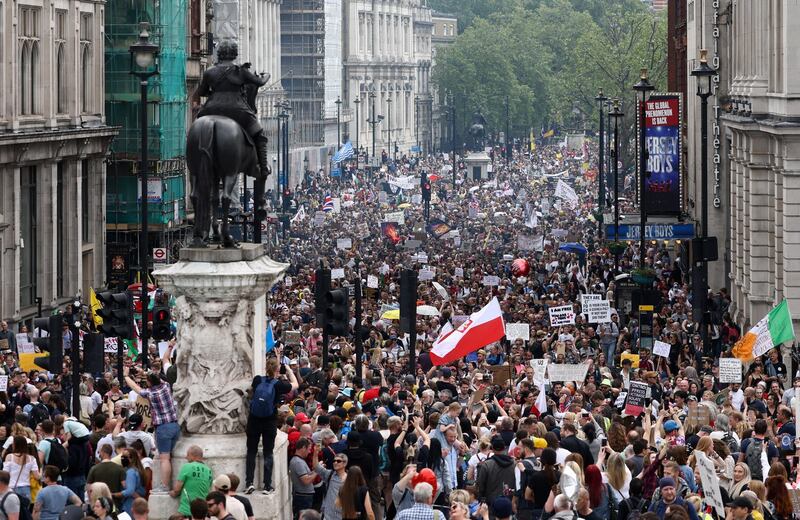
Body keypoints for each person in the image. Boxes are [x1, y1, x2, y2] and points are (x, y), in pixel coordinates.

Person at [195, 40, 271, 181]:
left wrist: (216, 92)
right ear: (235, 54)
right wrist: (266, 75)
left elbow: (201, 92)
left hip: (211, 109)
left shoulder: (209, 72)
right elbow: (259, 82)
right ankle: (263, 167)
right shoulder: (241, 71)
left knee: (197, 128)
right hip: (238, 110)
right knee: (259, 134)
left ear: (220, 54)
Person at [245, 358, 297, 494]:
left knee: (251, 450)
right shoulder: (279, 385)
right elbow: (295, 384)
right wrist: (289, 371)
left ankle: (249, 482)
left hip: (254, 419)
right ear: (277, 369)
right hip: (269, 421)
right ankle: (267, 485)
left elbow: (251, 392)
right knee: (268, 452)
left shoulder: (257, 380)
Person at [124, 367, 179, 493]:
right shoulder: (166, 386)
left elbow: (136, 388)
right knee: (171, 457)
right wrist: (144, 372)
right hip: (175, 426)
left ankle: (164, 486)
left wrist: (127, 376)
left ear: (149, 382)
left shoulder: (150, 394)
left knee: (165, 458)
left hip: (163, 428)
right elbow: (156, 377)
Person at [169, 446, 213, 518]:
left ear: (193, 456)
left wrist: (173, 493)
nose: (186, 457)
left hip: (187, 510)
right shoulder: (209, 471)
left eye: (188, 455)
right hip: (202, 513)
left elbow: (177, 489)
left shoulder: (187, 467)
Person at [476, 436, 515, 505]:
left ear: (492, 448)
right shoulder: (514, 464)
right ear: (504, 448)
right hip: (509, 501)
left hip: (491, 502)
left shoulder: (486, 465)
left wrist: (480, 500)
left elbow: (480, 486)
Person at [289, 438, 317, 519]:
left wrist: (315, 470)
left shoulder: (299, 461)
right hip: (303, 498)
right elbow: (306, 480)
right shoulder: (298, 462)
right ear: (303, 447)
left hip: (303, 497)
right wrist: (317, 471)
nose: (309, 451)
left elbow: (307, 476)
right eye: (308, 449)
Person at [113, 448, 146, 515]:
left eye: (125, 457)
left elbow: (130, 491)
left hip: (130, 505)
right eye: (122, 456)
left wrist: (115, 494)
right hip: (137, 504)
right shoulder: (138, 470)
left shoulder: (131, 472)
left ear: (132, 458)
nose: (122, 459)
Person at [316, 452, 348, 520]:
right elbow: (317, 468)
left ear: (345, 463)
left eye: (338, 461)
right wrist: (315, 453)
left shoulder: (349, 479)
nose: (335, 462)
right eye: (334, 461)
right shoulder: (330, 474)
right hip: (328, 515)